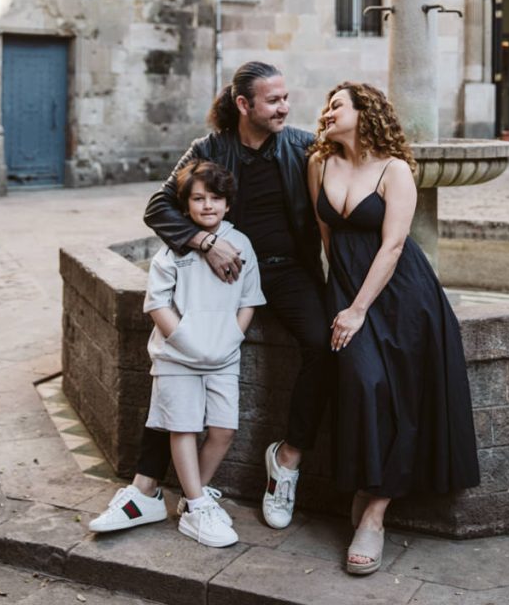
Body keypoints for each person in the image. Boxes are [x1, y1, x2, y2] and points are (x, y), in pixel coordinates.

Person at [89, 61, 331, 535]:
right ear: (244, 105)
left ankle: (287, 461)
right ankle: (146, 490)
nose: (285, 107)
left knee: (323, 345)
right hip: (220, 272)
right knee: (178, 364)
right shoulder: (211, 148)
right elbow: (159, 204)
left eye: (285, 98)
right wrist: (205, 243)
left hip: (284, 274)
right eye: (273, 100)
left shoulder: (302, 145)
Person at [306, 82, 480, 576]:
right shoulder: (318, 163)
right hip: (346, 286)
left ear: (365, 113)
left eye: (337, 104)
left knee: (396, 389)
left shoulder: (394, 169)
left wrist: (358, 309)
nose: (327, 111)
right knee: (361, 381)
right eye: (327, 103)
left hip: (401, 295)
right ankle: (365, 484)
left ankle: (376, 514)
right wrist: (337, 298)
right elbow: (328, 237)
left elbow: (393, 247)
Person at [145, 160, 264, 547]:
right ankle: (197, 507)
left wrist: (232, 337)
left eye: (215, 198)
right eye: (198, 198)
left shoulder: (242, 244)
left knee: (223, 429)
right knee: (183, 427)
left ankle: (194, 497)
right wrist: (184, 340)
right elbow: (156, 303)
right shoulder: (173, 247)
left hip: (224, 356)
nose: (208, 205)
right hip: (178, 357)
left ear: (228, 204)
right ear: (185, 206)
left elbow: (249, 299)